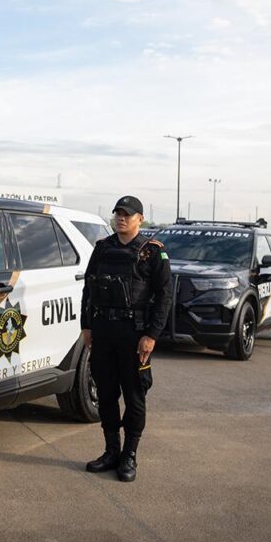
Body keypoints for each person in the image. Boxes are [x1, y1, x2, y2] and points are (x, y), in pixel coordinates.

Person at [80, 195, 171, 483]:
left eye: (127, 214)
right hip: (104, 331)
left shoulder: (152, 252)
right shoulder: (103, 249)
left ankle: (129, 455)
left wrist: (152, 335)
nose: (121, 218)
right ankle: (111, 451)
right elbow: (88, 289)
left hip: (134, 334)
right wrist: (86, 326)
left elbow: (165, 296)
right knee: (106, 394)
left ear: (140, 219)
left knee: (134, 396)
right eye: (118, 213)